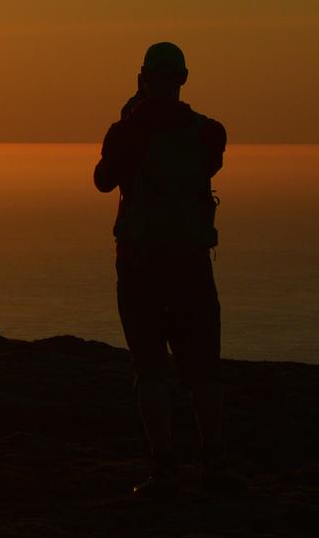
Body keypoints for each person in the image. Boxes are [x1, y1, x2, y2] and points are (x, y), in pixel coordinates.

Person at [93, 41, 231, 496]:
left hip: (140, 263)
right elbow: (210, 165)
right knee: (202, 368)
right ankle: (214, 461)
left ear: (144, 76)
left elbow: (103, 180)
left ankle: (164, 466)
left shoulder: (127, 131)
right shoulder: (209, 132)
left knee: (150, 368)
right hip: (191, 261)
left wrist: (130, 114)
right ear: (184, 78)